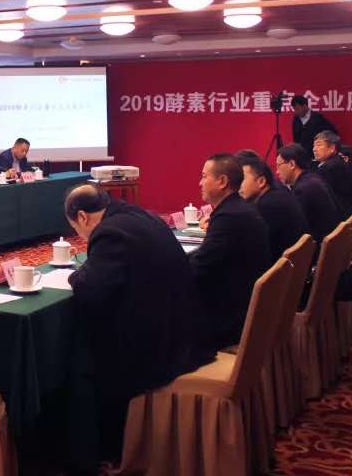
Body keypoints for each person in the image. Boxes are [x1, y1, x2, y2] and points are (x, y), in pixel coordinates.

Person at [65, 185, 213, 459]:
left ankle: (98, 449)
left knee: (80, 356)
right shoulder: (140, 215)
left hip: (162, 347)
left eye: (76, 229)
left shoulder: (109, 233)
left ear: (82, 217)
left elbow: (90, 288)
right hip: (185, 326)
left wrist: (75, 275)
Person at [188, 153, 272, 352]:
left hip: (229, 320)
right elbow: (206, 257)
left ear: (222, 181)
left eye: (204, 177)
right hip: (243, 305)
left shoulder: (229, 217)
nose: (200, 183)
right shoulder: (238, 209)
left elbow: (200, 267)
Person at [236, 153, 310, 260]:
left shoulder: (266, 206)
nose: (237, 185)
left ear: (261, 181)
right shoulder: (279, 191)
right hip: (299, 264)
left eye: (242, 179)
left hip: (284, 267)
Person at [275, 143, 342, 244]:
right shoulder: (314, 178)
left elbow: (296, 230)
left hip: (323, 247)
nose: (277, 172)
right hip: (336, 242)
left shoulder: (302, 190)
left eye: (278, 165)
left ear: (292, 164)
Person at [313, 130, 352, 219]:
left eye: (319, 145)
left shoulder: (328, 168)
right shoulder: (339, 161)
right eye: (314, 146)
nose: (314, 149)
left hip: (345, 220)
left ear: (332, 148)